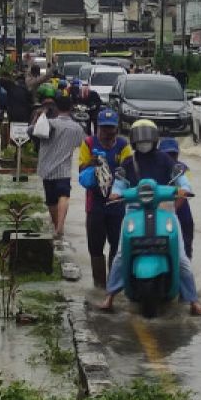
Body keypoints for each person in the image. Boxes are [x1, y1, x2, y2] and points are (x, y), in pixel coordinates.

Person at [97, 120, 201, 316]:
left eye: (147, 137)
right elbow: (119, 184)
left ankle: (193, 301)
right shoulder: (128, 163)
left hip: (165, 210)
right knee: (121, 255)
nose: (144, 141)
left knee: (182, 258)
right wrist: (115, 193)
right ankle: (110, 297)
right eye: (140, 138)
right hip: (134, 212)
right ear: (133, 140)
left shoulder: (166, 160)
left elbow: (181, 178)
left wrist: (184, 189)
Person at [77, 109, 131, 288]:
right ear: (97, 127)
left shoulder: (123, 146)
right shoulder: (88, 143)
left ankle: (113, 285)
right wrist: (92, 163)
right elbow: (81, 170)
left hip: (116, 204)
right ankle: (99, 286)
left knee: (116, 246)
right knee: (96, 246)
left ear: (116, 129)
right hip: (95, 204)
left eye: (111, 128)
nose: (108, 132)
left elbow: (128, 170)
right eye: (104, 128)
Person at [32, 93, 86, 242]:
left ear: (56, 107)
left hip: (46, 168)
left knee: (51, 201)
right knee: (64, 196)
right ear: (70, 108)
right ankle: (60, 226)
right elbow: (81, 144)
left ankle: (56, 225)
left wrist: (39, 117)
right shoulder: (76, 127)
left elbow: (31, 131)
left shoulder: (48, 124)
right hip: (63, 169)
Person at [158, 137, 195, 259]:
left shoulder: (184, 169)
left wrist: (172, 209)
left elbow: (186, 191)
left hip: (180, 207)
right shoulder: (155, 169)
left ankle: (187, 265)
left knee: (186, 242)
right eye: (167, 154)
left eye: (173, 154)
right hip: (159, 208)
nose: (170, 158)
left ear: (177, 154)